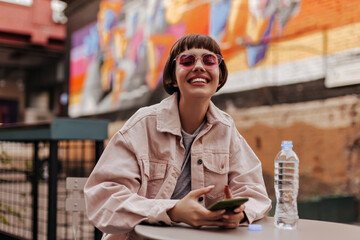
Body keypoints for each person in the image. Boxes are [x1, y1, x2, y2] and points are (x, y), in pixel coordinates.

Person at [84, 34, 271, 240]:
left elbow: (255, 193)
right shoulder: (143, 124)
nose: (199, 66)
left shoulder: (226, 130)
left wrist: (240, 213)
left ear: (220, 76)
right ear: (173, 77)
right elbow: (102, 198)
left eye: (209, 60)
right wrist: (173, 210)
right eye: (187, 60)